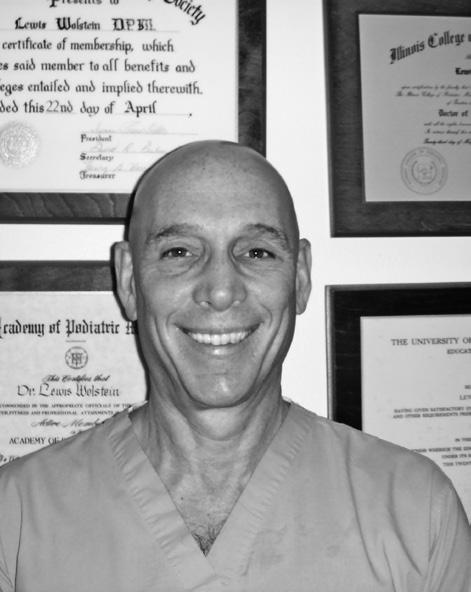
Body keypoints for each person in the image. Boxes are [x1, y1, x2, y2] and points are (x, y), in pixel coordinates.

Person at [0, 141, 469, 592]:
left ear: (300, 277)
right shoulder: (16, 515)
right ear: (128, 280)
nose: (221, 291)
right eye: (179, 251)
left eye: (257, 252)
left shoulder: (417, 511)